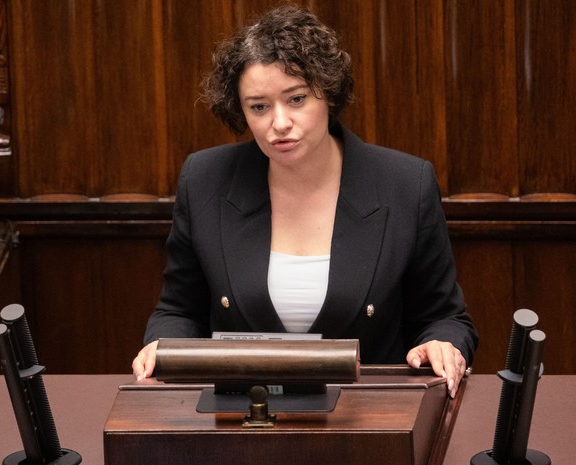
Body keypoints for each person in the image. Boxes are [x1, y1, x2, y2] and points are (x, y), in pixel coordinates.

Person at [132, 3, 478, 398]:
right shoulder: (205, 179)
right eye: (259, 107)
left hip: (369, 412)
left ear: (327, 93)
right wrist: (162, 345)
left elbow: (444, 317)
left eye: (296, 99)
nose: (279, 123)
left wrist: (443, 344)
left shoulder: (404, 184)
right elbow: (178, 310)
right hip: (242, 413)